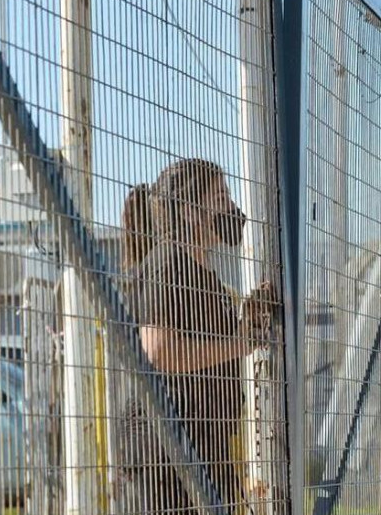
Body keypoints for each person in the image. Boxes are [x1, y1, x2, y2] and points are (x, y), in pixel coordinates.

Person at [117, 158, 277, 513]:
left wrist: (246, 321)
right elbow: (157, 352)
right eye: (220, 197)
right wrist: (239, 343)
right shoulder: (168, 264)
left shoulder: (207, 275)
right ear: (190, 211)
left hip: (201, 442)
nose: (232, 207)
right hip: (166, 451)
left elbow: (207, 346)